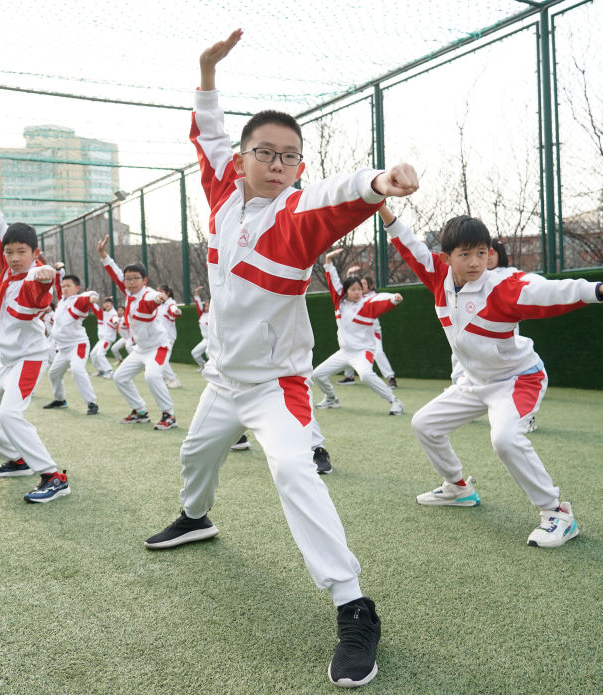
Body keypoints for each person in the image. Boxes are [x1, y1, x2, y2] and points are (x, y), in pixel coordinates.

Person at [143, 30, 420, 688]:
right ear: (241, 161)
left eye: (289, 156)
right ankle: (197, 517)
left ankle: (354, 605)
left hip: (275, 385)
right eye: (264, 152)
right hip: (222, 379)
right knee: (193, 457)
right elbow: (209, 131)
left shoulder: (297, 215)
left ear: (298, 166)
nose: (277, 162)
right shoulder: (220, 192)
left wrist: (381, 180)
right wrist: (207, 70)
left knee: (296, 471)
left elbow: (338, 193)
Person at [383, 201, 603, 549]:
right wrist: (385, 211)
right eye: (465, 254)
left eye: (482, 253)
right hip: (474, 382)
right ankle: (458, 488)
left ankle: (558, 514)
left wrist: (597, 289)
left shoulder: (503, 286)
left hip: (518, 378)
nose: (475, 262)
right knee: (424, 424)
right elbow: (410, 246)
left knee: (505, 439)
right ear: (447, 257)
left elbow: (546, 291)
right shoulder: (438, 276)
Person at [0, 172, 70, 504]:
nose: (13, 257)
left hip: (29, 357)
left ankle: (53, 476)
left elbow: (39, 291)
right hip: (5, 359)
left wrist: (43, 277)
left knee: (10, 414)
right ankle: (19, 458)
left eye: (21, 252)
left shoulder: (34, 279)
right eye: (9, 252)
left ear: (34, 252)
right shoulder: (9, 271)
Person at [97, 235, 177, 430]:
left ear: (145, 280)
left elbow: (151, 300)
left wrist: (159, 298)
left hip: (159, 346)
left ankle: (169, 415)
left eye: (136, 278)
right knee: (120, 377)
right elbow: (116, 273)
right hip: (141, 349)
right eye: (128, 279)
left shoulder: (148, 294)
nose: (131, 282)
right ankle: (140, 411)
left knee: (152, 376)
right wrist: (103, 255)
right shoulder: (128, 292)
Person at [313, 248, 404, 416]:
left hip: (363, 352)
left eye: (359, 289)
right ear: (346, 291)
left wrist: (393, 298)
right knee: (317, 374)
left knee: (366, 375)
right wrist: (328, 263)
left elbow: (379, 299)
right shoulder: (339, 303)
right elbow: (334, 284)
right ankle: (331, 398)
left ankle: (395, 402)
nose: (357, 292)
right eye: (353, 289)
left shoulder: (367, 304)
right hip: (344, 352)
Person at [42, 266, 100, 415]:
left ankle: (92, 403)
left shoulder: (78, 300)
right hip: (62, 348)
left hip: (77, 345)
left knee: (77, 370)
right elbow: (57, 284)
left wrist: (93, 297)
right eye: (63, 286)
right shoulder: (62, 301)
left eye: (68, 286)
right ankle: (60, 400)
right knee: (53, 373)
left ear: (77, 288)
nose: (65, 288)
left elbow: (90, 296)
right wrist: (58, 272)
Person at [337, 271, 399, 389]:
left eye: (364, 284)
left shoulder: (372, 296)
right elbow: (347, 288)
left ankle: (391, 378)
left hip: (371, 333)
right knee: (347, 350)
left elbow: (383, 297)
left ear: (370, 286)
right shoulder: (355, 297)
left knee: (379, 353)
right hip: (356, 334)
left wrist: (393, 298)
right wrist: (350, 274)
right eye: (361, 284)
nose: (361, 286)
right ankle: (349, 377)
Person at [158, 284, 183, 388]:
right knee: (159, 359)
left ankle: (173, 379)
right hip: (159, 337)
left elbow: (175, 310)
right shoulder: (160, 305)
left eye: (161, 292)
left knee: (162, 360)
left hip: (168, 337)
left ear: (167, 293)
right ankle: (164, 379)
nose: (159, 294)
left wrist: (176, 311)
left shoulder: (170, 303)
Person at [90, 295, 119, 378]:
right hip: (102, 339)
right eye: (105, 303)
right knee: (93, 354)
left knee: (100, 354)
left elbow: (115, 318)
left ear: (112, 304)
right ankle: (101, 371)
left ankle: (110, 372)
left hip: (107, 339)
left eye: (108, 303)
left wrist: (115, 322)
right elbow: (95, 308)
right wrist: (91, 299)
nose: (106, 304)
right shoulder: (103, 313)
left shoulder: (113, 313)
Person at [190, 286, 211, 369]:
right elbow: (198, 305)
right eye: (205, 306)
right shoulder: (202, 314)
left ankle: (216, 369)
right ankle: (203, 366)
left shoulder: (213, 315)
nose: (206, 308)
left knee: (207, 353)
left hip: (213, 339)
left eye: (208, 306)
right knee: (194, 353)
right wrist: (196, 294)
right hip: (205, 339)